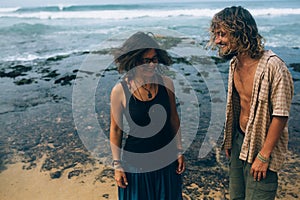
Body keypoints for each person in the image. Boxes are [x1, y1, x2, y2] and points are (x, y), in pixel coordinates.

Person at [208, 6, 294, 200]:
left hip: (262, 144)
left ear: (240, 32)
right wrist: (230, 139)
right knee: (237, 196)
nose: (217, 41)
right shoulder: (234, 64)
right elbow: (237, 105)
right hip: (239, 139)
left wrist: (264, 156)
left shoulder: (274, 67)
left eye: (222, 34)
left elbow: (280, 115)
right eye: (216, 35)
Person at [109, 31, 185, 200]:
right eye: (146, 60)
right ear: (134, 61)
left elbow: (174, 118)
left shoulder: (166, 83)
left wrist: (179, 150)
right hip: (136, 166)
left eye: (154, 59)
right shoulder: (119, 91)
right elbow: (115, 130)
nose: (152, 64)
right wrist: (117, 165)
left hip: (167, 161)